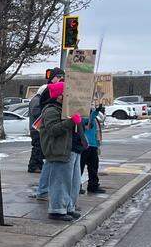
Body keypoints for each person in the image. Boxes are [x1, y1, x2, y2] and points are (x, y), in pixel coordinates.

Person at [38, 80, 81, 222]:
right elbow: (52, 130)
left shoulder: (64, 110)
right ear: (59, 96)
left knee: (72, 183)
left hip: (71, 149)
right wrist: (71, 122)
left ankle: (68, 207)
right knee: (60, 182)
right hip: (59, 150)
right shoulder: (51, 110)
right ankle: (57, 210)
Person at [28, 68, 64, 199]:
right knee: (38, 149)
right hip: (38, 130)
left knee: (44, 157)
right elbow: (38, 114)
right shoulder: (41, 103)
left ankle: (38, 171)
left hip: (41, 129)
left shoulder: (45, 105)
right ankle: (34, 166)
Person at [81, 103, 105, 194]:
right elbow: (88, 123)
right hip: (84, 145)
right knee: (80, 168)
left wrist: (98, 144)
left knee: (93, 167)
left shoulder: (94, 118)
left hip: (93, 145)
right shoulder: (84, 117)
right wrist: (96, 111)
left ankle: (93, 185)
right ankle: (77, 186)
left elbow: (96, 131)